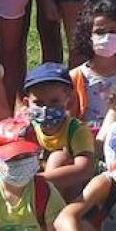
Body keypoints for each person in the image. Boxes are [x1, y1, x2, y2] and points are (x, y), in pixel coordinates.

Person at [16, 62, 98, 198]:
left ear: (69, 101)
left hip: (71, 191)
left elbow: (84, 170)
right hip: (34, 185)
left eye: (54, 102)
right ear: (26, 104)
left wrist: (36, 181)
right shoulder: (27, 129)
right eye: (38, 103)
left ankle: (53, 210)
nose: (46, 108)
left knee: (58, 157)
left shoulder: (76, 130)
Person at [71, 0, 116, 134]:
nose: (107, 37)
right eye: (100, 32)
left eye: (112, 31)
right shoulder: (77, 76)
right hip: (88, 136)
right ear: (87, 36)